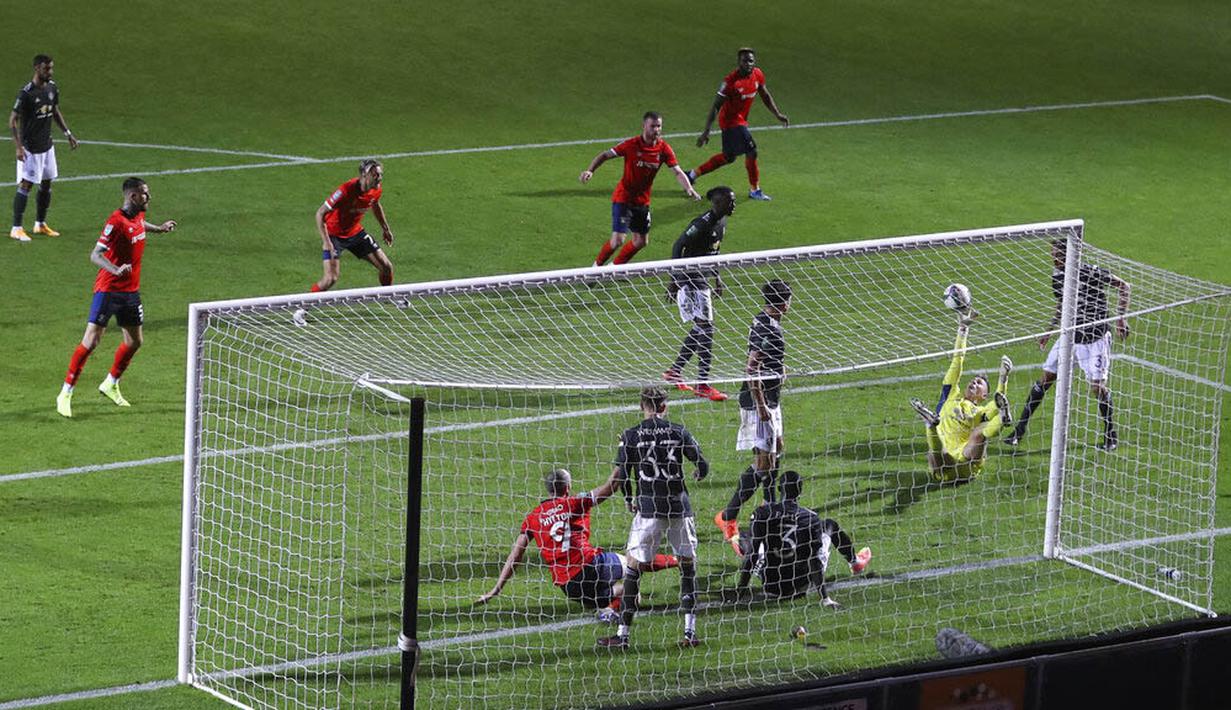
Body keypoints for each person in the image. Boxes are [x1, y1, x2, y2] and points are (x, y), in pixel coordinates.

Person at [475, 467, 679, 621]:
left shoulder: (533, 518)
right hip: (593, 567)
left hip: (570, 588)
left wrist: (496, 589)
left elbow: (515, 555)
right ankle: (680, 560)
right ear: (568, 487)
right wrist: (623, 455)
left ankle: (605, 610)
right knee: (635, 562)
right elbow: (611, 487)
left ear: (548, 490)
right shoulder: (574, 502)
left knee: (631, 594)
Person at [598, 387, 709, 650]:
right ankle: (689, 633)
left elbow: (623, 475)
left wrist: (628, 499)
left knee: (634, 568)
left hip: (648, 510)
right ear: (664, 406)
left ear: (642, 406)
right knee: (687, 565)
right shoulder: (678, 430)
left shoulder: (631, 435)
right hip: (679, 507)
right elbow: (702, 464)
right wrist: (698, 474)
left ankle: (623, 635)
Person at [56, 178, 177, 417]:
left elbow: (140, 226)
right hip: (109, 289)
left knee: (135, 342)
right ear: (133, 197)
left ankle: (111, 383)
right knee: (91, 341)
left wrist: (160, 229)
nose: (149, 197)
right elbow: (95, 255)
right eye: (144, 194)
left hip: (131, 291)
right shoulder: (115, 222)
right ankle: (66, 393)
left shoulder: (137, 215)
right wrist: (115, 269)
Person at [1006, 239, 1130, 451]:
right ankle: (1018, 431)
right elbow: (1062, 304)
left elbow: (1124, 286)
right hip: (1070, 336)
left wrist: (1121, 319)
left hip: (1095, 339)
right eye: (1052, 255)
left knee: (1097, 388)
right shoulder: (1057, 277)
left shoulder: (1091, 271)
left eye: (1058, 255)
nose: (1054, 259)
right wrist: (1049, 330)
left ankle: (1111, 436)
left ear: (1069, 256)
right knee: (1045, 379)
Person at [714, 279, 792, 557]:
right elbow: (751, 368)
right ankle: (729, 515)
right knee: (764, 463)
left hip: (771, 400)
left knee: (777, 451)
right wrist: (760, 405)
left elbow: (766, 360)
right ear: (785, 302)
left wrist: (780, 368)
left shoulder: (766, 321)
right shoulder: (765, 327)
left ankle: (770, 508)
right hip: (759, 403)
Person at [579, 112, 701, 267]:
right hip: (624, 198)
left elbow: (677, 171)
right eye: (653, 126)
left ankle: (614, 269)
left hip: (642, 202)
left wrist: (689, 188)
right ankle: (595, 268)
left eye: (659, 126)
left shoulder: (664, 149)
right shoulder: (631, 144)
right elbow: (605, 155)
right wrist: (590, 170)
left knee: (641, 241)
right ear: (644, 126)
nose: (656, 130)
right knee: (618, 240)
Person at [736, 470, 872, 606]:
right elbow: (814, 560)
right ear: (800, 491)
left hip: (772, 586)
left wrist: (739, 593)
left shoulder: (762, 513)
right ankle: (855, 562)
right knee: (829, 525)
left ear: (779, 489)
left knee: (743, 536)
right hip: (802, 585)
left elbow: (752, 555)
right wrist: (825, 599)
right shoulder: (810, 517)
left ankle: (759, 567)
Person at [909, 313, 1014, 483]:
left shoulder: (980, 411)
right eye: (974, 380)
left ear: (983, 396)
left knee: (979, 433)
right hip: (944, 464)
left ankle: (1003, 418)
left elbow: (997, 402)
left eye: (980, 383)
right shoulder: (950, 395)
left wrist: (1003, 379)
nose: (974, 381)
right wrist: (963, 329)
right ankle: (931, 424)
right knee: (936, 451)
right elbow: (957, 362)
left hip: (967, 463)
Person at [664, 186, 736, 402]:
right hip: (690, 280)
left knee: (701, 328)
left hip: (703, 279)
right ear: (717, 202)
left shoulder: (721, 223)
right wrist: (675, 280)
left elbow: (713, 253)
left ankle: (674, 371)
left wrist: (717, 278)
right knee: (706, 329)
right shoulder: (701, 223)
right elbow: (678, 247)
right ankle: (702, 384)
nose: (733, 204)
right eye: (729, 201)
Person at [686, 48, 788, 202]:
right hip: (730, 122)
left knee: (728, 157)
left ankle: (692, 175)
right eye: (744, 61)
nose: (748, 64)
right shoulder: (730, 82)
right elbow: (715, 106)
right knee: (752, 150)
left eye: (751, 61)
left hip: (740, 121)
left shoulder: (758, 75)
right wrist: (706, 131)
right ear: (738, 62)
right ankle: (755, 190)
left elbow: (765, 95)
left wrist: (777, 114)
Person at [10, 54, 79, 242]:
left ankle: (40, 224)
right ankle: (16, 228)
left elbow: (54, 110)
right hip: (30, 148)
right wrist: (18, 147)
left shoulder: (52, 88)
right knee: (26, 185)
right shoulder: (26, 93)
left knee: (47, 182)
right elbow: (12, 120)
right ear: (37, 69)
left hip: (47, 146)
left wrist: (67, 133)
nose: (50, 72)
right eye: (46, 68)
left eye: (51, 68)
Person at [309, 159, 395, 292]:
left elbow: (375, 204)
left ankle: (389, 296)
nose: (379, 178)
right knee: (330, 278)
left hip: (355, 233)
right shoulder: (345, 190)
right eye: (375, 175)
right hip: (334, 235)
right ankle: (303, 308)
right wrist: (327, 243)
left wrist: (385, 229)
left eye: (380, 174)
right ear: (364, 175)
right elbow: (320, 213)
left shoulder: (376, 190)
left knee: (387, 267)